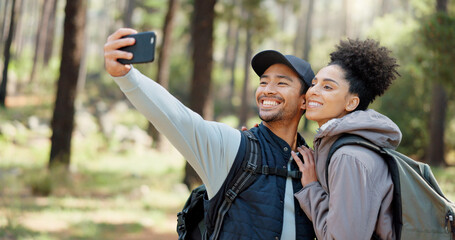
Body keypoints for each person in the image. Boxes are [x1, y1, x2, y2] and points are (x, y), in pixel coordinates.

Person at [104, 28, 317, 239]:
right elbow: (178, 118)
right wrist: (127, 77)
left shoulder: (316, 165)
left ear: (304, 100)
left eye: (281, 82)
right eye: (263, 82)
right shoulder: (233, 147)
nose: (267, 90)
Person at [291, 38, 401, 240]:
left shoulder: (349, 157)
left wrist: (310, 188)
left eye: (327, 87)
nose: (313, 91)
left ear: (351, 103)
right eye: (314, 83)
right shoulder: (348, 146)